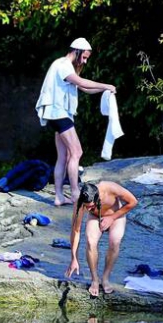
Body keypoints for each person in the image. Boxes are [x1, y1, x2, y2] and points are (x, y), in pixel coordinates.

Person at [35, 38, 116, 206]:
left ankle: (58, 196)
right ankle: (75, 193)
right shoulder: (64, 64)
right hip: (59, 114)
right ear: (77, 51)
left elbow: (84, 88)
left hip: (56, 115)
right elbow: (81, 82)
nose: (85, 61)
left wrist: (104, 90)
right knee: (76, 153)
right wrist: (107, 85)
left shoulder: (64, 66)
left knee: (63, 156)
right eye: (84, 57)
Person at [65, 181, 138, 296]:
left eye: (91, 206)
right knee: (90, 240)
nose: (88, 209)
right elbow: (76, 230)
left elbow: (133, 201)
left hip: (115, 215)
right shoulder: (80, 203)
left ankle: (105, 278)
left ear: (98, 197)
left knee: (115, 241)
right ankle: (95, 279)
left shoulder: (110, 188)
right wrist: (74, 258)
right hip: (96, 217)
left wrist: (112, 218)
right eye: (86, 207)